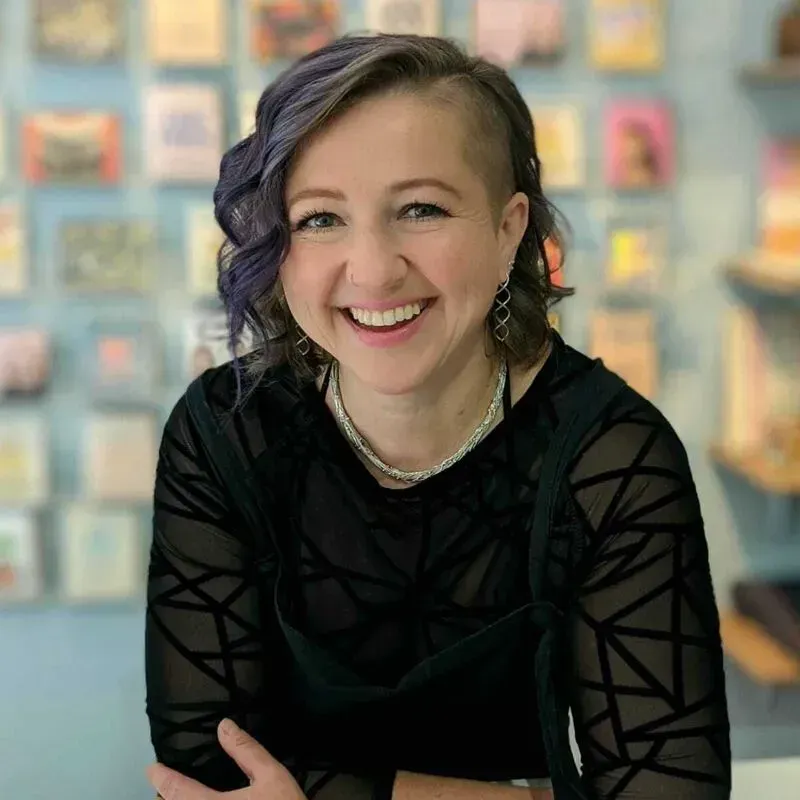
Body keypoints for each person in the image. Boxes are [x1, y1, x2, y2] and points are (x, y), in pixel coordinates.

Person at [144, 33, 732, 800]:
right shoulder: (225, 430)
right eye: (321, 218)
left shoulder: (612, 459)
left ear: (509, 229)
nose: (374, 268)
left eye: (421, 208)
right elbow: (206, 767)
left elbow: (671, 789)